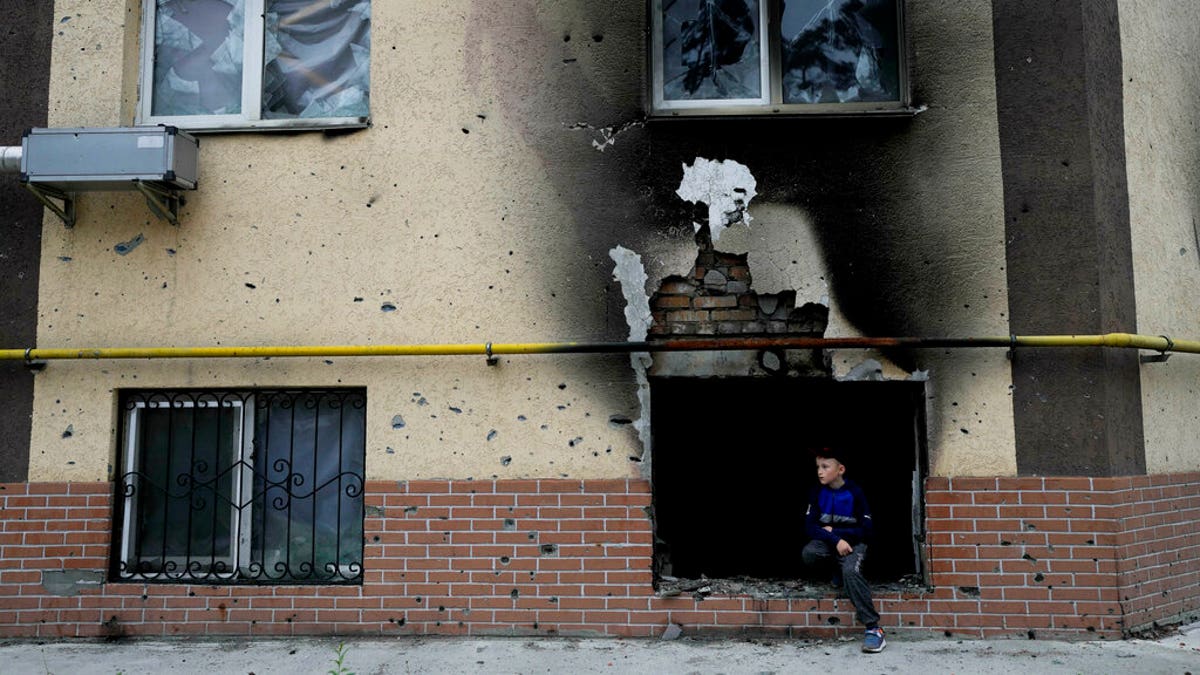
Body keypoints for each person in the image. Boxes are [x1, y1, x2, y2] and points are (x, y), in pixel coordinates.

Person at [802, 447, 886, 653]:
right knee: (809, 553)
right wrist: (834, 538)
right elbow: (809, 527)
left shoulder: (855, 492)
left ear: (840, 469)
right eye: (817, 467)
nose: (819, 471)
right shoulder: (817, 492)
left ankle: (874, 630)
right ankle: (837, 570)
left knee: (851, 571)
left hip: (855, 543)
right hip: (832, 543)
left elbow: (867, 530)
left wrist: (840, 534)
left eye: (825, 466)